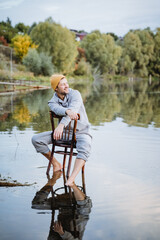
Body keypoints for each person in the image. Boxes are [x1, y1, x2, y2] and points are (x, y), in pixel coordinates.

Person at [32, 74, 92, 186]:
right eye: (63, 84)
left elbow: (74, 109)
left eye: (67, 83)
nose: (66, 86)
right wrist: (67, 112)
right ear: (56, 88)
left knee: (86, 146)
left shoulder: (75, 94)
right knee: (36, 139)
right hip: (64, 134)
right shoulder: (52, 102)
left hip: (81, 132)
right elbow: (57, 109)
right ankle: (56, 164)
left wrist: (61, 125)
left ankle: (71, 179)